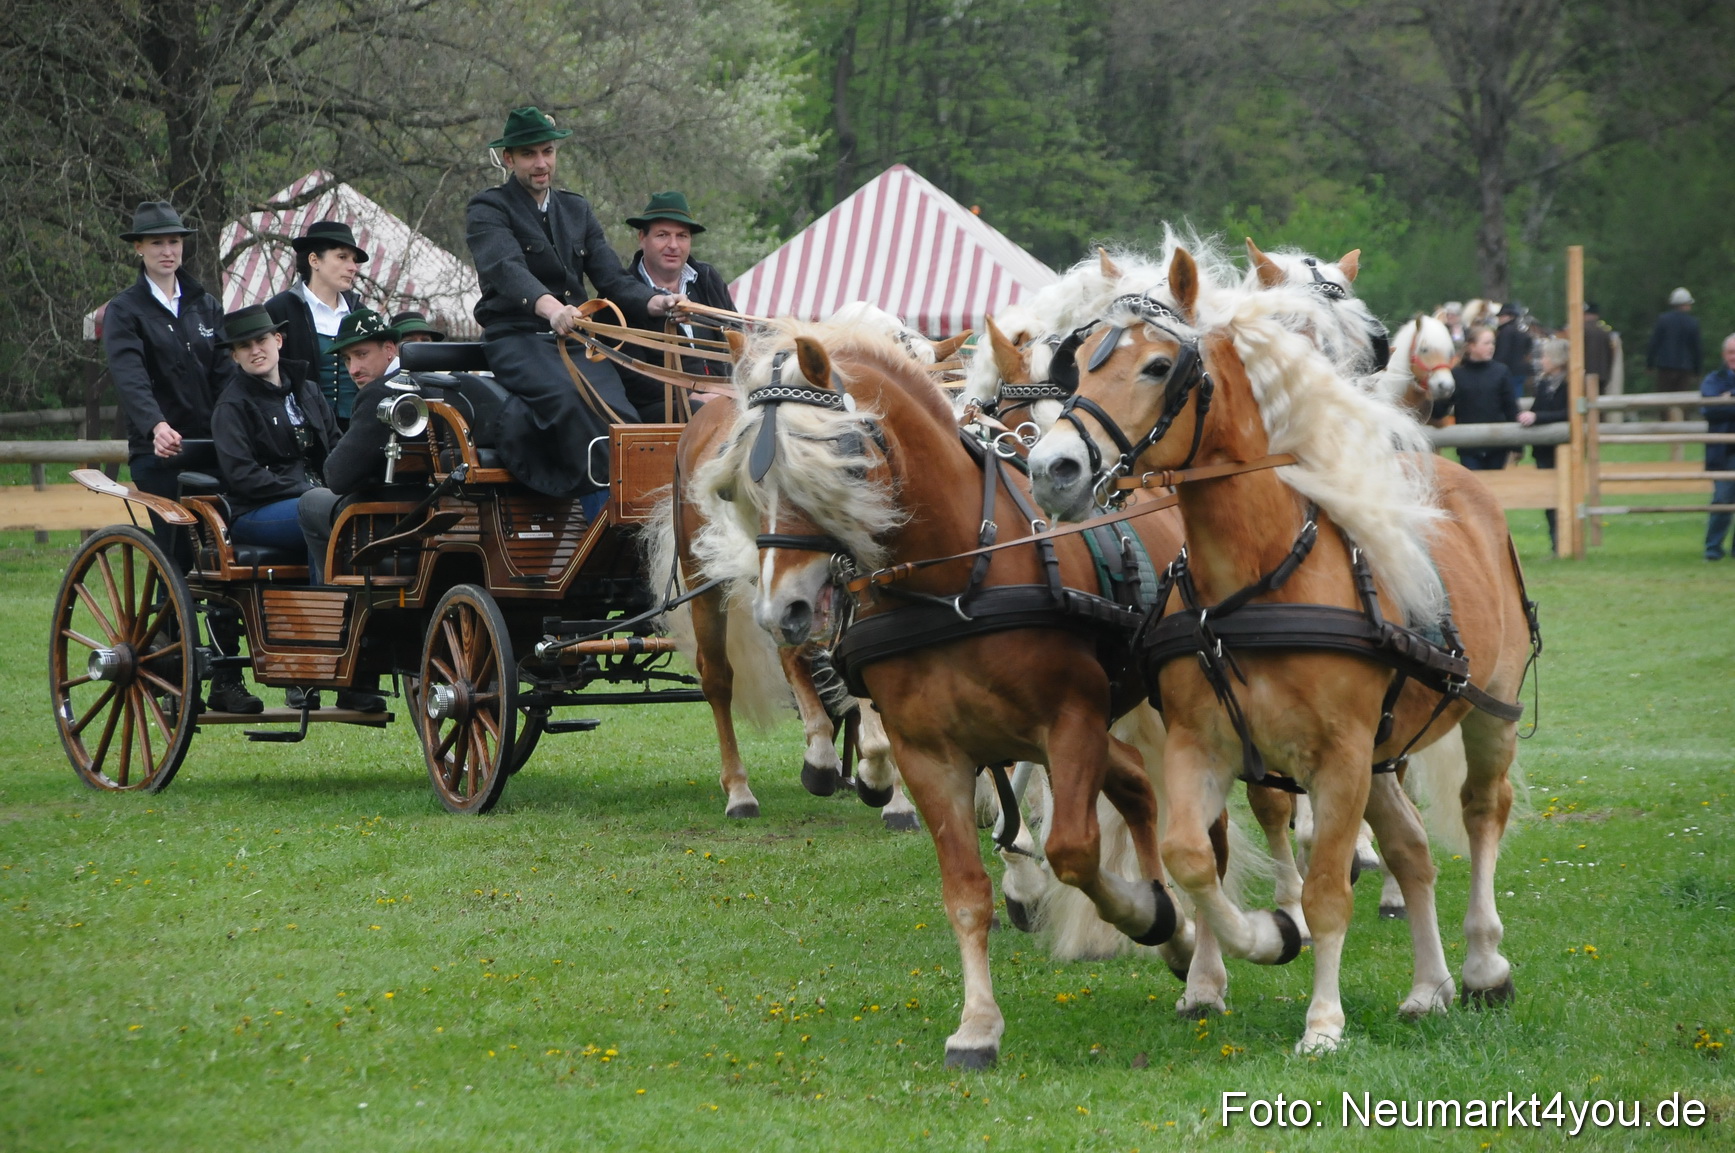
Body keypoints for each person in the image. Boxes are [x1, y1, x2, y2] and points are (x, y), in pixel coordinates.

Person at [465, 106, 681, 513]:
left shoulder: (576, 209)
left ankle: (645, 514)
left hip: (577, 339)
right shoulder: (488, 208)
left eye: (548, 151)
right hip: (517, 338)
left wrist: (656, 302)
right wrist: (552, 308)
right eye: (529, 154)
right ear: (509, 159)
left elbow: (612, 279)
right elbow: (506, 269)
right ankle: (606, 518)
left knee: (619, 414)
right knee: (573, 400)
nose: (542, 163)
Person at [102, 200, 260, 714]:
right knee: (176, 558)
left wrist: (234, 429)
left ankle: (227, 679)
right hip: (160, 456)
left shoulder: (205, 305)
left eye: (174, 242)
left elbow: (225, 376)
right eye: (156, 243)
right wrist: (156, 426)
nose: (168, 251)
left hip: (212, 451)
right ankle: (172, 669)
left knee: (223, 559)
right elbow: (132, 379)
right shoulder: (126, 311)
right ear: (139, 250)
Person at [297, 308, 409, 584]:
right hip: (427, 512)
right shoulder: (429, 383)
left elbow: (338, 477)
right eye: (347, 359)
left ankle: (335, 598)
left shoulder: (379, 393)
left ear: (389, 349)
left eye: (361, 354)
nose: (353, 369)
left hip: (384, 520)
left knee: (309, 503)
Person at [617, 191, 736, 418]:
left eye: (682, 236)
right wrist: (691, 394)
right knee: (706, 412)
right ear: (642, 238)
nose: (673, 245)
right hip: (658, 409)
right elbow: (628, 373)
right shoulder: (622, 291)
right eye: (663, 235)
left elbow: (735, 338)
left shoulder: (707, 278)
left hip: (725, 398)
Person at [265, 221, 367, 426]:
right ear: (314, 260)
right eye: (342, 257)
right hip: (303, 427)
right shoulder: (280, 310)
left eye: (354, 260)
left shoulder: (360, 314)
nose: (353, 267)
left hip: (357, 427)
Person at [1440, 326, 1518, 470]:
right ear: (1471, 346)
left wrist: (1516, 445)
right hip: (1468, 446)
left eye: (1493, 343)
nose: (1491, 347)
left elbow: (1510, 408)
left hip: (1497, 445)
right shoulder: (1457, 374)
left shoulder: (1501, 372)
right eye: (1486, 343)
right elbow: (1441, 409)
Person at [1519, 338, 1570, 549]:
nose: (1542, 361)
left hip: (1563, 452)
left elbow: (1568, 413)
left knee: (1564, 496)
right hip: (1543, 450)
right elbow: (1538, 408)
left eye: (1546, 356)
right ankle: (1556, 542)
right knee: (1549, 499)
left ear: (1558, 359)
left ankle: (1564, 542)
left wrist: (1537, 418)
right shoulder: (1543, 383)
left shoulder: (1571, 384)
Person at [1700, 334, 1735, 560]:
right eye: (1731, 352)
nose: (1734, 357)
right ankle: (1713, 549)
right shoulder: (1714, 379)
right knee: (1722, 497)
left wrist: (1729, 399)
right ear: (1724, 355)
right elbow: (1710, 409)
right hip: (1722, 450)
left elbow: (1721, 408)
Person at [1647, 287, 1702, 394]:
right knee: (1681, 401)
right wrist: (1697, 371)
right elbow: (1697, 348)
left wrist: (1649, 364)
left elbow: (1654, 344)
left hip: (1665, 368)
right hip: (1685, 369)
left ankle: (1664, 411)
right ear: (1686, 304)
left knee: (1663, 400)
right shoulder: (1693, 323)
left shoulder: (1662, 320)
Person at [1493, 302, 1534, 396]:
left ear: (1510, 316)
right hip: (1521, 370)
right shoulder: (1522, 330)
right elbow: (1529, 348)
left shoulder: (1505, 331)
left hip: (1509, 371)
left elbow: (1502, 353)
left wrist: (1495, 367)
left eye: (1502, 316)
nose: (1499, 318)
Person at [1582, 301, 1615, 390]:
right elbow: (1611, 354)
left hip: (1584, 375)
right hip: (1603, 374)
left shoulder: (1580, 330)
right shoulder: (1605, 331)